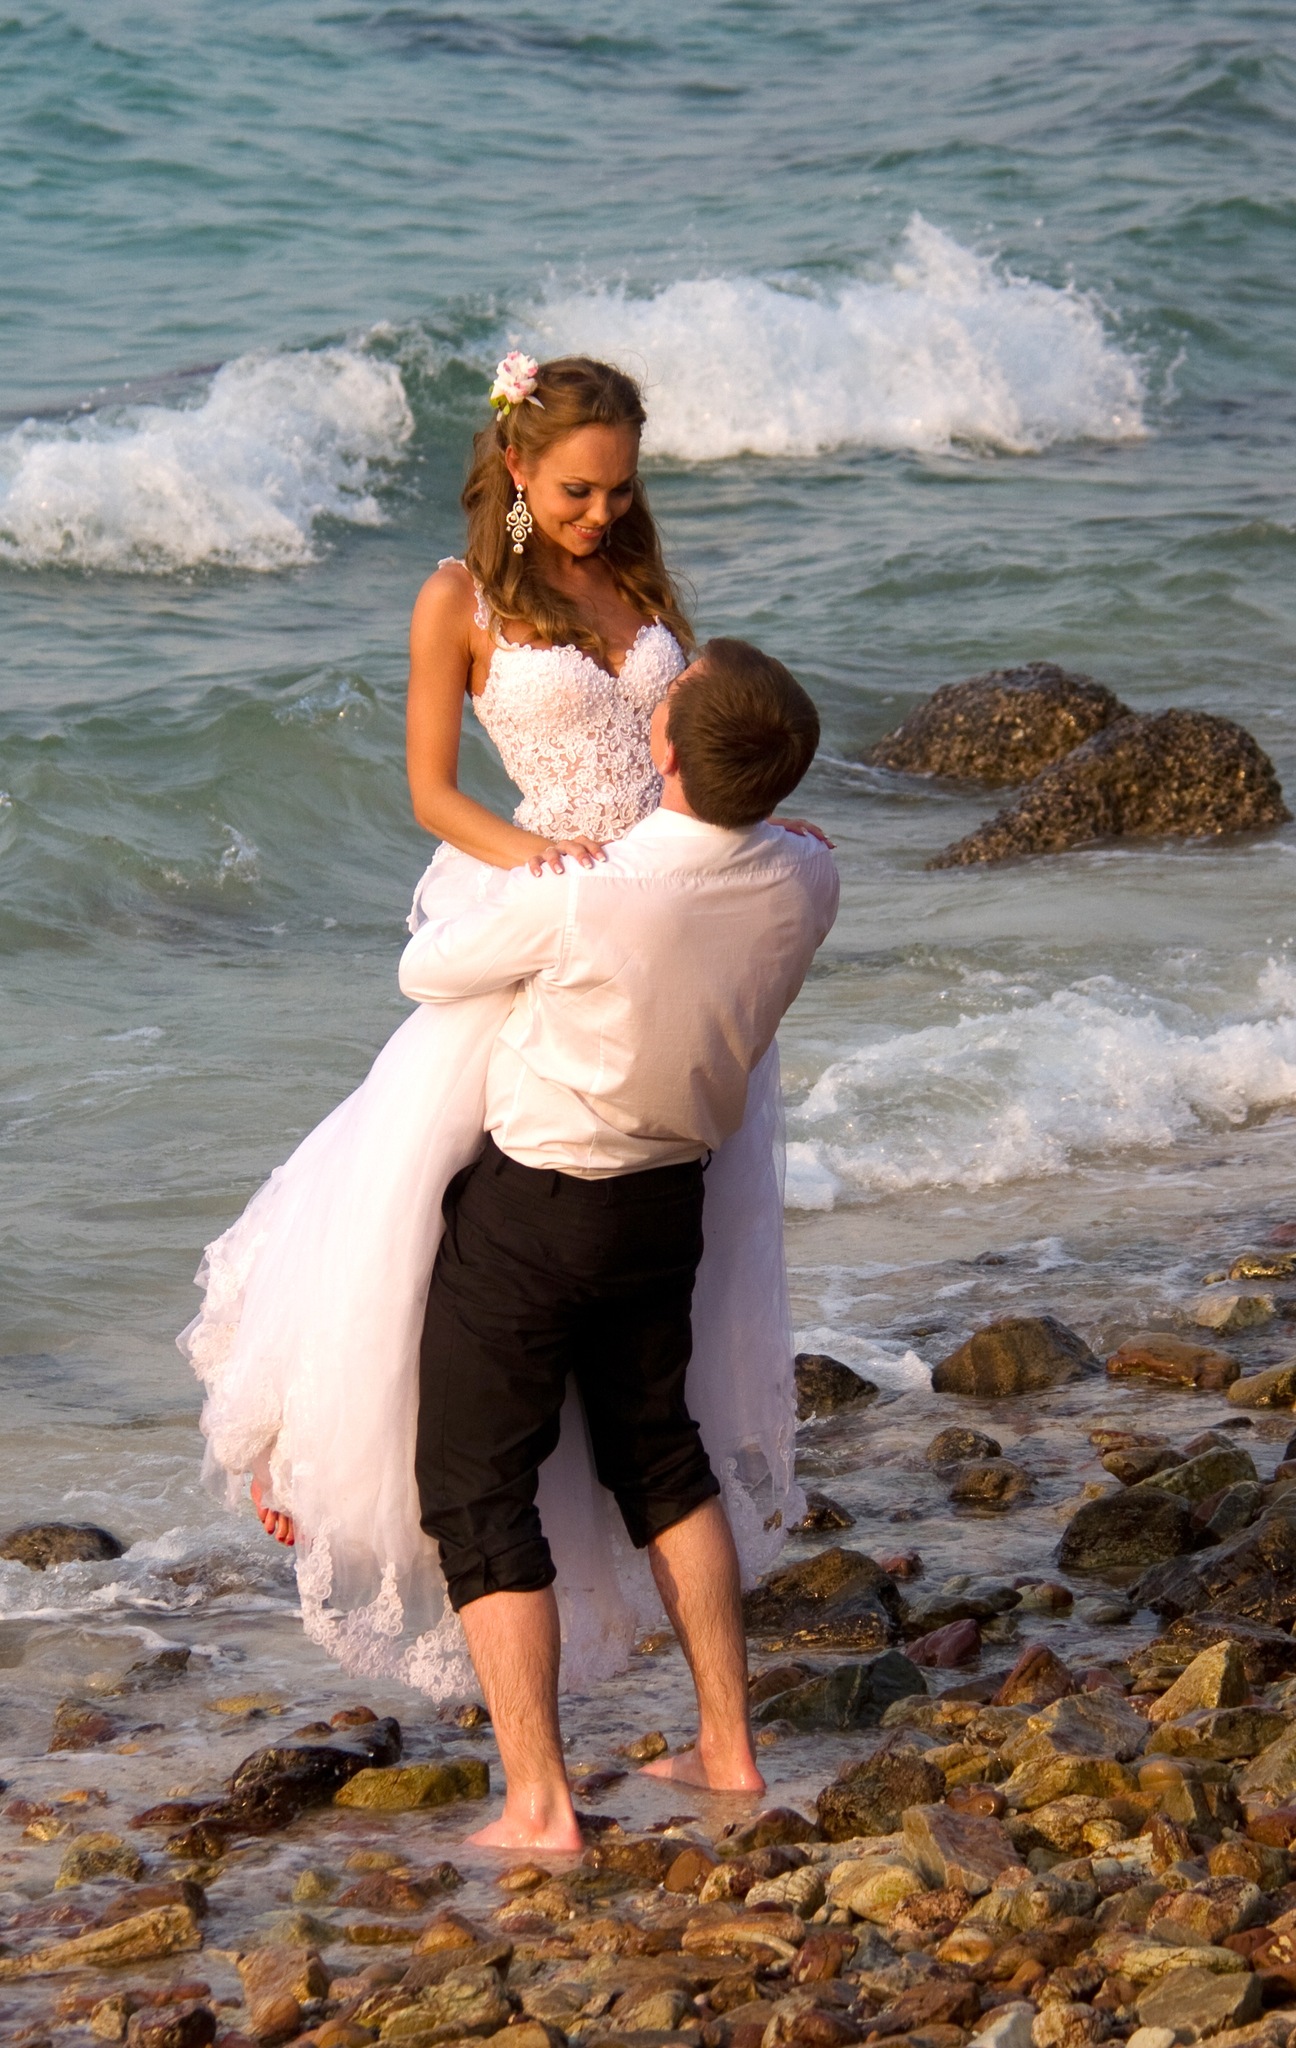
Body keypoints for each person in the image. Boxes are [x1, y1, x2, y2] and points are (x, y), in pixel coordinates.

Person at [181, 352, 826, 1701]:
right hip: (543, 894)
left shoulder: (642, 583)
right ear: (518, 468)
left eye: (621, 489)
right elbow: (430, 790)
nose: (602, 513)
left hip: (658, 917)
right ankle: (340, 1464)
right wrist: (540, 860)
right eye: (579, 491)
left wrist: (754, 823)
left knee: (632, 1251)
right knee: (426, 1209)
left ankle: (625, 1538)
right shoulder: (458, 599)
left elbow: (695, 744)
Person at [401, 641, 838, 1849]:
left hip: (538, 1214)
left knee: (476, 1485)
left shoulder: (588, 890)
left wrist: (528, 864)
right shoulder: (808, 875)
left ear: (664, 749)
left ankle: (540, 1801)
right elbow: (774, 841)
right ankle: (727, 1745)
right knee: (660, 1456)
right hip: (665, 1206)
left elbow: (424, 966)